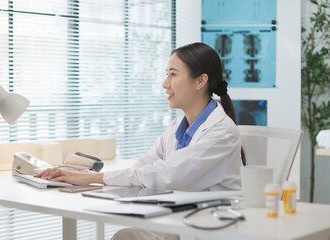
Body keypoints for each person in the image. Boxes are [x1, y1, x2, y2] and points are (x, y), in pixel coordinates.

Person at [35, 42, 244, 239]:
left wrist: (92, 179)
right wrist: (85, 183)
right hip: (178, 224)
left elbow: (168, 175)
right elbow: (144, 168)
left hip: (209, 230)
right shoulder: (176, 128)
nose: (165, 84)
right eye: (166, 75)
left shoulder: (222, 132)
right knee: (127, 235)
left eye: (173, 75)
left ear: (200, 81)